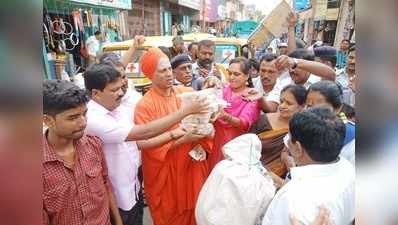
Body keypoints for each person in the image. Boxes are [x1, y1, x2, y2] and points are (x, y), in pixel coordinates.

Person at [83, 63, 208, 225]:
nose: (121, 93)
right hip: (114, 196)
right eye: (114, 90)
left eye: (121, 87)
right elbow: (142, 134)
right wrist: (183, 114)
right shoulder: (93, 118)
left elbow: (139, 142)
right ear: (96, 93)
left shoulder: (117, 107)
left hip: (133, 189)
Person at [134, 47, 213, 225]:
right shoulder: (144, 105)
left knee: (197, 210)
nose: (169, 74)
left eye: (169, 68)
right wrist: (183, 139)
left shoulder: (185, 93)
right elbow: (148, 146)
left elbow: (208, 112)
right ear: (150, 75)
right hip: (166, 176)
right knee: (169, 215)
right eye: (163, 70)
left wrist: (212, 89)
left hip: (191, 167)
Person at [43, 80, 123, 225]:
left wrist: (118, 221)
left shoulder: (94, 145)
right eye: (72, 118)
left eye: (84, 114)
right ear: (48, 120)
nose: (83, 122)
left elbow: (106, 185)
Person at [262, 107, 355, 225]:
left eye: (289, 139)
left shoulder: (291, 199)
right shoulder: (349, 170)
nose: (287, 143)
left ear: (298, 148)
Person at [245, 49, 336, 113]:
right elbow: (272, 108)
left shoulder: (319, 80)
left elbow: (331, 74)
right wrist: (260, 98)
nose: (292, 70)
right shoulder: (283, 83)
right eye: (290, 67)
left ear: (307, 67)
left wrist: (295, 62)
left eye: (295, 67)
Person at [209, 57, 261, 170]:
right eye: (230, 73)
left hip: (236, 144)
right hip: (216, 141)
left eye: (236, 74)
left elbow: (243, 123)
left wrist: (225, 116)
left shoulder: (251, 96)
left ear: (247, 76)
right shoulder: (222, 90)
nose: (231, 77)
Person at [249, 85, 306, 177]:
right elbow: (246, 145)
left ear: (302, 106)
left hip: (280, 180)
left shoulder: (302, 130)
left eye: (289, 103)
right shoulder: (264, 120)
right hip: (251, 172)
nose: (282, 106)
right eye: (281, 101)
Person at [306, 80, 355, 164]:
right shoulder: (303, 127)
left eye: (319, 108)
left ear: (338, 108)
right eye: (309, 106)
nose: (311, 112)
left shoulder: (353, 140)